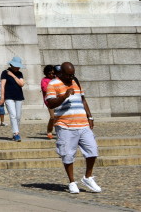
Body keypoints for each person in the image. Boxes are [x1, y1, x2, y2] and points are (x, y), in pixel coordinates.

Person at [45, 61, 101, 194]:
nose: (71, 77)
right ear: (61, 73)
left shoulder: (75, 81)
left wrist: (90, 116)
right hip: (65, 125)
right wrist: (64, 96)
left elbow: (83, 99)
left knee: (92, 151)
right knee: (68, 155)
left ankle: (88, 177)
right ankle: (71, 181)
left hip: (82, 123)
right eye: (68, 75)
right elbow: (51, 103)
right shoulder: (53, 84)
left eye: (72, 74)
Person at [0, 56, 26, 142]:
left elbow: (21, 84)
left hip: (18, 96)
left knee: (18, 116)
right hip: (8, 96)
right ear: (12, 65)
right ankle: (16, 133)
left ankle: (16, 131)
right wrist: (2, 97)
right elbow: (2, 85)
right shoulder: (5, 73)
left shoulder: (19, 73)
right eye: (16, 66)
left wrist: (13, 76)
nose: (18, 68)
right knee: (13, 115)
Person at [42, 64, 58, 139]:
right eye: (49, 73)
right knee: (52, 117)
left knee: (59, 116)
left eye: (52, 73)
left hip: (58, 100)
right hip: (50, 101)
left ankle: (59, 131)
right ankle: (49, 131)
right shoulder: (44, 80)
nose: (51, 75)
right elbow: (45, 89)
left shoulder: (56, 79)